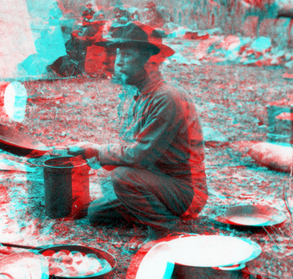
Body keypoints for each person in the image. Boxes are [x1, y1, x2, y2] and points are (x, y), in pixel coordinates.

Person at [53, 22, 208, 245]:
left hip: (185, 191)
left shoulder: (166, 98)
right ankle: (150, 216)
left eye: (128, 55)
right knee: (96, 213)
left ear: (148, 60)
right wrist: (95, 155)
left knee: (122, 177)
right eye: (118, 55)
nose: (119, 62)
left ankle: (166, 231)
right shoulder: (139, 95)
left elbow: (138, 156)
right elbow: (129, 150)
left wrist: (96, 150)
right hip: (157, 183)